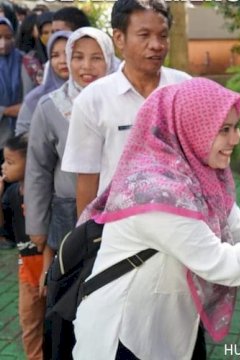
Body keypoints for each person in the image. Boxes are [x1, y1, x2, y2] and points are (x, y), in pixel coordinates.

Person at [72, 78, 240, 359]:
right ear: (192, 128)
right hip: (123, 337)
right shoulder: (157, 194)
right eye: (224, 129)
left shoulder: (194, 173)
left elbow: (235, 226)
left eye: (236, 127)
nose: (236, 138)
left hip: (163, 328)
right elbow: (223, 264)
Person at [24, 27, 120, 359]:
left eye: (96, 57)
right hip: (67, 213)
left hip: (118, 212)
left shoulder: (122, 100)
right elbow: (36, 168)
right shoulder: (50, 107)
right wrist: (37, 226)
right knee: (68, 293)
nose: (86, 67)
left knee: (109, 290)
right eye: (77, 57)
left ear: (110, 58)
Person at [62, 0, 190, 217]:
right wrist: (88, 238)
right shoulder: (93, 100)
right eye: (144, 35)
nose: (156, 45)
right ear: (119, 38)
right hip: (120, 229)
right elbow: (87, 179)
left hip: (183, 218)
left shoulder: (186, 89)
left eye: (163, 35)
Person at [0, 134, 46, 360]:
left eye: (10, 162)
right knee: (29, 323)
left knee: (55, 322)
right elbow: (4, 231)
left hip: (50, 266)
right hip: (27, 270)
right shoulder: (9, 194)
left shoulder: (48, 191)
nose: (3, 167)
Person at [0, 15, 36, 250]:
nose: (3, 43)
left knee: (18, 190)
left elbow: (30, 102)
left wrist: (3, 109)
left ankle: (17, 233)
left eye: (8, 37)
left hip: (18, 140)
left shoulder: (24, 63)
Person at [15, 30, 70, 135]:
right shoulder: (36, 98)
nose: (62, 60)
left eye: (68, 53)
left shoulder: (90, 94)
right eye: (55, 55)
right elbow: (21, 136)